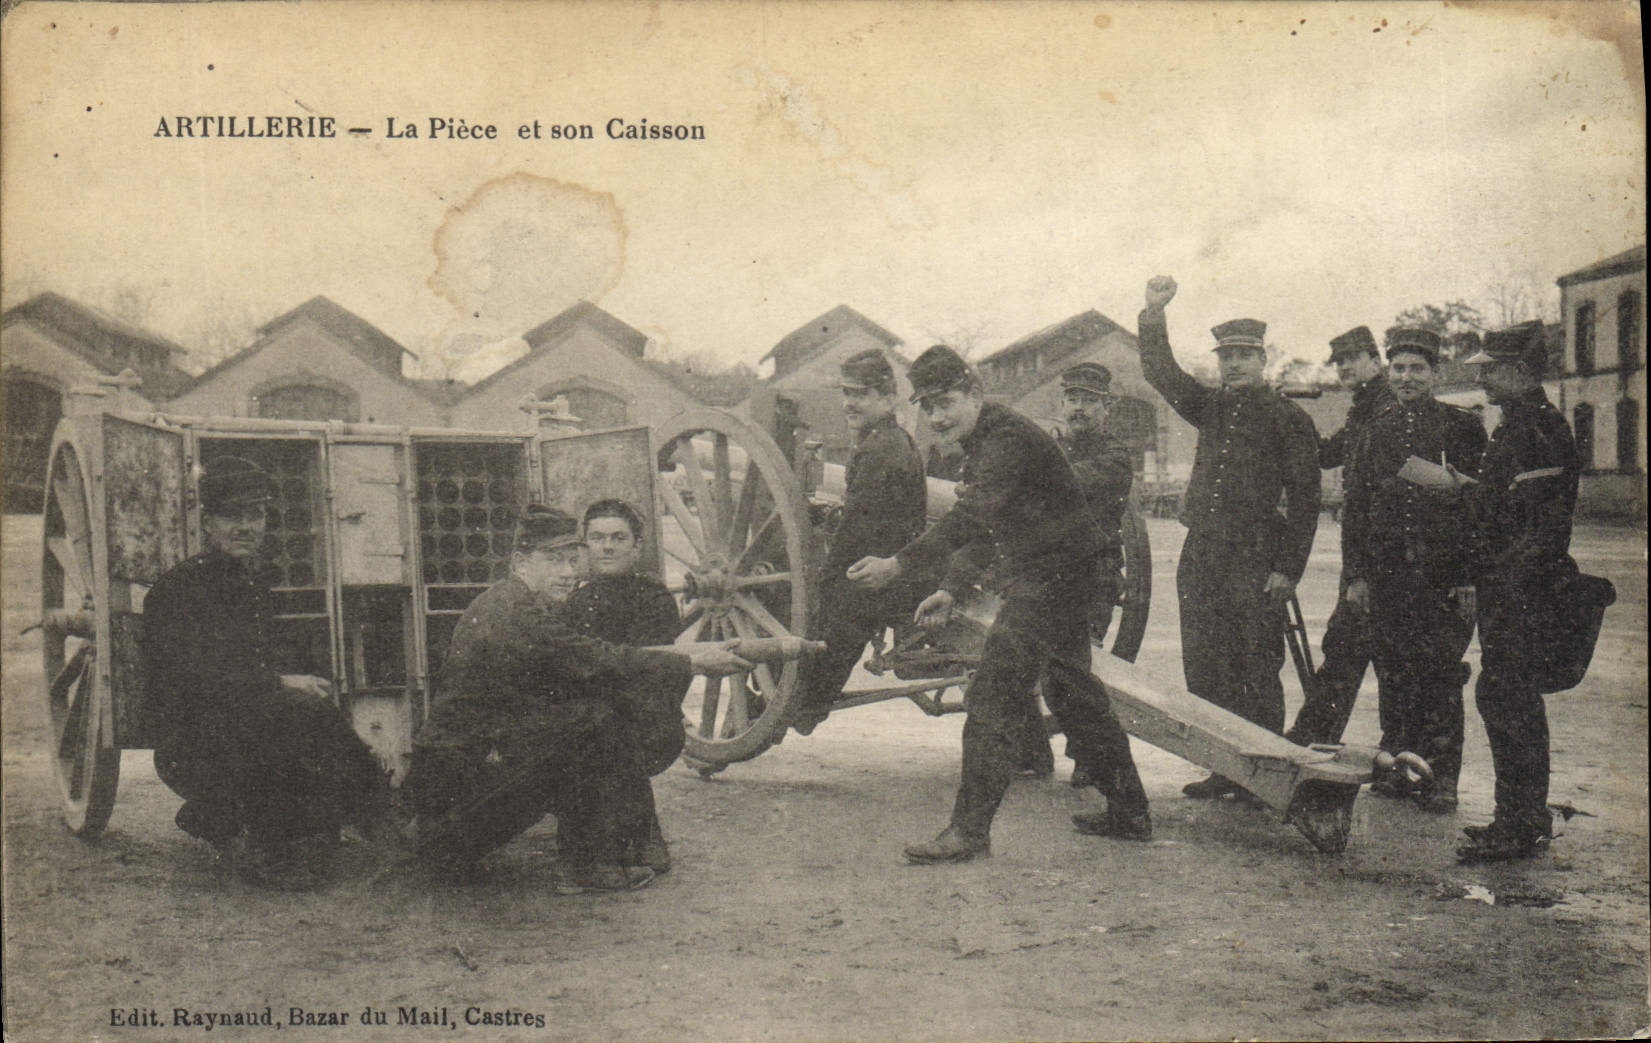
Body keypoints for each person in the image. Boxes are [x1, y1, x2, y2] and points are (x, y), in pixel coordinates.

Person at [847, 346, 1150, 861]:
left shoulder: (1006, 438)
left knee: (991, 694)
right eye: (928, 407)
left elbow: (971, 518)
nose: (937, 417)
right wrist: (950, 587)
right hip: (1066, 574)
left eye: (946, 403)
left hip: (1054, 579)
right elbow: (992, 526)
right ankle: (1131, 811)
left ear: (975, 395)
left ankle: (969, 831)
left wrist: (898, 563)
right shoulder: (992, 438)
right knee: (1073, 688)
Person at [403, 505, 749, 891]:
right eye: (554, 561)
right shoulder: (518, 615)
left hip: (462, 777)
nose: (568, 573)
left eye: (571, 560)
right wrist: (692, 660)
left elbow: (590, 657)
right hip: (458, 795)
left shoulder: (510, 602)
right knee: (593, 724)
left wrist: (686, 659)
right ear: (520, 561)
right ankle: (583, 866)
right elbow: (595, 657)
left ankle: (608, 852)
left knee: (587, 720)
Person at [143, 456, 392, 890]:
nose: (246, 527)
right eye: (231, 516)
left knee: (303, 715)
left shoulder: (252, 585)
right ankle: (254, 833)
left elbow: (264, 665)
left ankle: (274, 828)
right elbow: (194, 681)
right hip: (191, 741)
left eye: (255, 515)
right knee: (297, 713)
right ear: (206, 523)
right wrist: (280, 683)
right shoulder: (177, 590)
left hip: (243, 726)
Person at [1136, 276, 1320, 800]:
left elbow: (1306, 502)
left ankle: (1261, 775)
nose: (1233, 365)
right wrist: (1153, 314)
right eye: (1226, 357)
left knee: (1256, 665)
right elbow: (1160, 372)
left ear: (1263, 360)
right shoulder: (1211, 406)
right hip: (1203, 554)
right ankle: (1223, 766)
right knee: (1205, 661)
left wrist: (1287, 569)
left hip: (1255, 558)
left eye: (1243, 355)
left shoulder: (1289, 419)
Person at [1340, 327, 1485, 813]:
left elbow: (1474, 509)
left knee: (1441, 675)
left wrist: (1467, 576)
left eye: (1417, 369)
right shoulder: (1375, 428)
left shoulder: (1461, 427)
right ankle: (1402, 769)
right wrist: (1357, 575)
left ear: (1435, 373)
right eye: (1398, 369)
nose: (1406, 378)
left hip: (1441, 577)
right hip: (1387, 575)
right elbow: (1356, 506)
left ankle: (1442, 778)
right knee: (1394, 671)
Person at [1455, 321, 1581, 863]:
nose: (1482, 377)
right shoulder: (1517, 423)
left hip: (1525, 590)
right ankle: (1518, 816)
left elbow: (1539, 527)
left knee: (1511, 699)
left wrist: (1501, 580)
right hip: (1509, 586)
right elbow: (1506, 508)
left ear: (1522, 373)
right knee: (1503, 696)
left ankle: (1524, 821)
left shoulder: (1539, 430)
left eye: (1492, 369)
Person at [791, 348, 928, 736]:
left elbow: (857, 534)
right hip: (891, 563)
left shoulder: (879, 449)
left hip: (883, 575)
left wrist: (824, 575)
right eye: (847, 393)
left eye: (861, 394)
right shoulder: (891, 439)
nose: (850, 403)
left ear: (887, 399)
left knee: (822, 601)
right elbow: (868, 515)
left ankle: (802, 705)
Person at [1285, 326, 1395, 747]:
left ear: (1374, 359)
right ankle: (1317, 737)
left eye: (1353, 359)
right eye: (1340, 362)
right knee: (1349, 649)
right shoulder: (1364, 407)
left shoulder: (1383, 407)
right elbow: (1327, 454)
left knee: (1354, 650)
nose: (1346, 368)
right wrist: (1293, 417)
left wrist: (1360, 572)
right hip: (1363, 554)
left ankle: (1314, 738)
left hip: (1376, 557)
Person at [562, 499, 685, 874]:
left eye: (618, 537)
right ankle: (628, 839)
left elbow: (646, 673)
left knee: (607, 722)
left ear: (637, 547)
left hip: (649, 720)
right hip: (601, 715)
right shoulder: (576, 600)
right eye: (597, 538)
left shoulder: (654, 600)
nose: (607, 546)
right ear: (585, 546)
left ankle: (631, 841)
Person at [1048, 362, 1133, 784]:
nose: (1079, 408)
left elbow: (1067, 483)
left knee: (1082, 676)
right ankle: (1033, 749)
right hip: (1047, 572)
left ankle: (1092, 759)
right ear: (1062, 403)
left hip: (1091, 576)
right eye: (1073, 399)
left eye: (1089, 401)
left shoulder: (1114, 455)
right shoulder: (1054, 447)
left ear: (1106, 407)